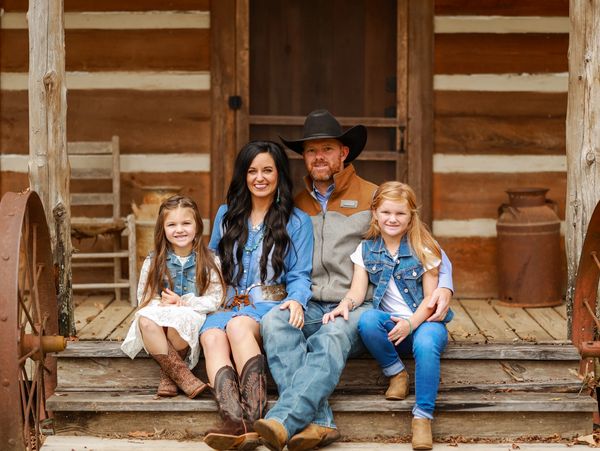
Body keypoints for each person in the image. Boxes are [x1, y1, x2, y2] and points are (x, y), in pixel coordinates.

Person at [254, 109, 454, 451]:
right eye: (311, 150)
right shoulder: (294, 202)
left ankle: (283, 420)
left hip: (359, 304)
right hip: (308, 301)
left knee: (331, 336)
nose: (319, 157)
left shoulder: (373, 197)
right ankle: (320, 423)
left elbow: (422, 241)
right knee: (274, 322)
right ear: (304, 156)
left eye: (327, 149)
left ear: (343, 153)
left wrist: (446, 284)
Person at [200, 140, 313, 451]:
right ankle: (235, 422)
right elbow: (212, 263)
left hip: (268, 306)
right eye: (252, 171)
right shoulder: (227, 215)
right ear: (243, 176)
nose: (259, 178)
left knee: (237, 328)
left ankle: (253, 417)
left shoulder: (298, 221)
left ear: (279, 175)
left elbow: (301, 275)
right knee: (210, 335)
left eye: (267, 170)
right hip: (227, 303)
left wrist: (297, 300)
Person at [323, 181, 453, 450]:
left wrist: (410, 324)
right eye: (386, 212)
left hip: (425, 321)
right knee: (368, 319)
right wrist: (344, 304)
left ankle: (422, 417)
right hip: (393, 326)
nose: (392, 219)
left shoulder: (423, 247)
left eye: (400, 214)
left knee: (427, 344)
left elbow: (431, 299)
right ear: (375, 213)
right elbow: (358, 292)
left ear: (411, 216)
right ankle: (396, 373)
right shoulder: (366, 249)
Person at [121, 195, 224, 398]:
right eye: (172, 224)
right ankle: (182, 375)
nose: (179, 229)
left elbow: (215, 298)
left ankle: (168, 376)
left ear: (197, 226)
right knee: (146, 320)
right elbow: (144, 298)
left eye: (186, 223)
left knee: (179, 320)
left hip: (190, 315)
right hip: (161, 317)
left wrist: (184, 302)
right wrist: (163, 306)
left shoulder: (210, 260)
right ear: (163, 228)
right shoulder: (154, 261)